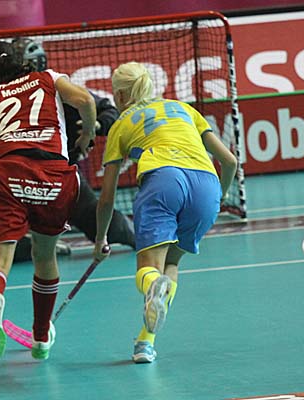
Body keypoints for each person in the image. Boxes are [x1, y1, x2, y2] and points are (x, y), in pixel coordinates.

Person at [0, 40, 97, 361]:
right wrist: (87, 134)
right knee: (45, 256)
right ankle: (41, 336)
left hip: (8, 176)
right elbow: (85, 100)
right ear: (20, 61)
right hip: (55, 177)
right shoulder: (48, 78)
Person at [0, 37, 135, 260]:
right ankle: (44, 248)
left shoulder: (53, 88)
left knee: (100, 221)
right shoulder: (34, 88)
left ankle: (139, 237)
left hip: (53, 174)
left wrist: (95, 126)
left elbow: (105, 109)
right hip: (42, 179)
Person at [93, 62, 237, 363]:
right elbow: (230, 161)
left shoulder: (120, 124)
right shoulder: (183, 108)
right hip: (207, 186)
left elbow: (106, 198)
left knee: (148, 272)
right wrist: (218, 197)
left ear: (120, 95)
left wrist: (100, 238)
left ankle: (151, 285)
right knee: (171, 264)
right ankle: (145, 343)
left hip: (164, 181)